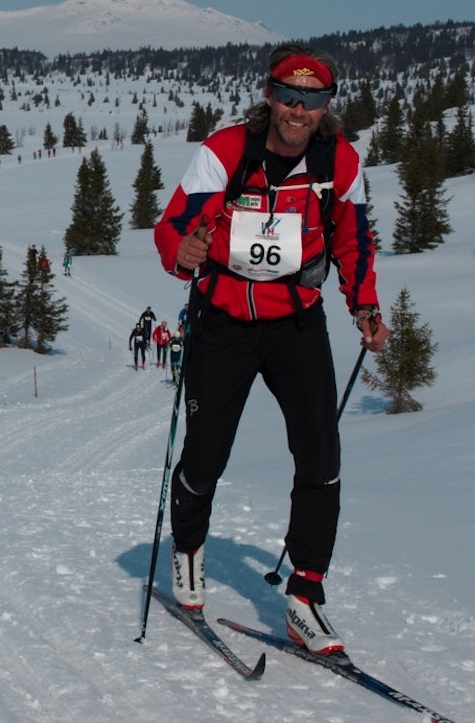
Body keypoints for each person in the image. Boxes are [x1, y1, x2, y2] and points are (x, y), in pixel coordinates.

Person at [153, 44, 389, 656]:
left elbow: (353, 237)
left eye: (311, 100)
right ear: (268, 95)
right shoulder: (228, 151)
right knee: (205, 455)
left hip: (296, 326)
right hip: (225, 322)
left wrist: (363, 303)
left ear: (326, 106)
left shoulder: (339, 160)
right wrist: (182, 251)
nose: (297, 109)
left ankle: (306, 596)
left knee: (321, 455)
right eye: (288, 95)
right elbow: (174, 223)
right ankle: (187, 550)